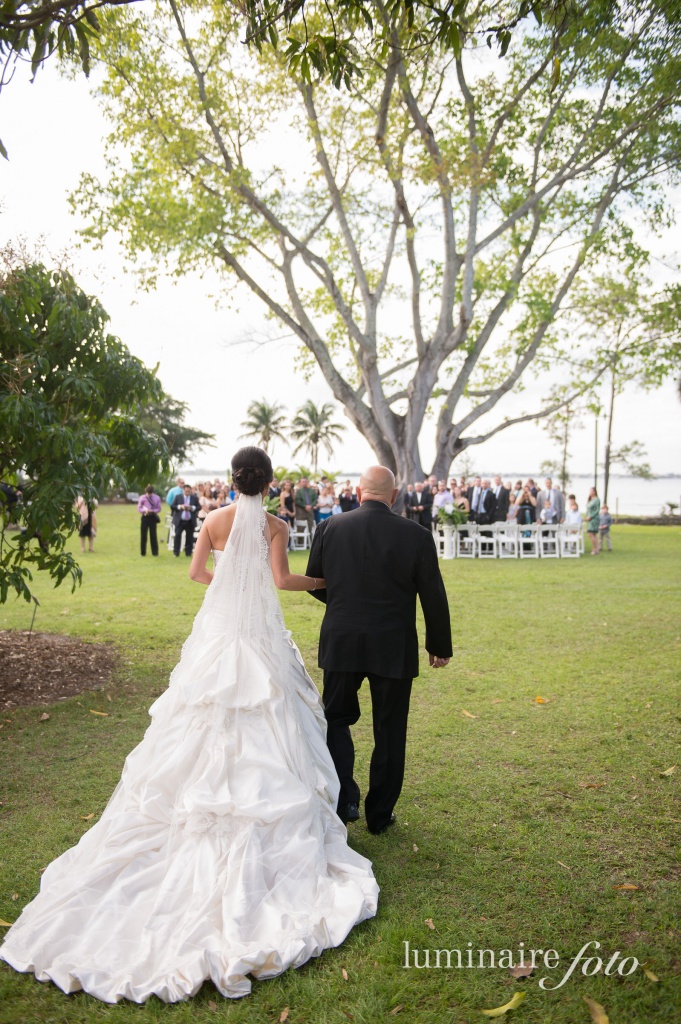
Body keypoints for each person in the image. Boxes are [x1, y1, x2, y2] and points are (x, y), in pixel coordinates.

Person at [0, 446, 378, 1003]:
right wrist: (321, 585)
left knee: (199, 717)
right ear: (269, 483)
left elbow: (198, 572)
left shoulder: (212, 519)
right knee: (271, 718)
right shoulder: (274, 524)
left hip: (220, 634)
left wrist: (229, 588)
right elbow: (280, 581)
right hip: (259, 639)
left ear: (232, 480)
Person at [306, 466, 452, 835]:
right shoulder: (416, 535)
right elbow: (432, 593)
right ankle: (379, 814)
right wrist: (439, 645)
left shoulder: (330, 527)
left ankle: (345, 800)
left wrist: (344, 604)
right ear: (395, 494)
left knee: (336, 720)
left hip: (342, 639)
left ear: (359, 492)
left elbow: (314, 581)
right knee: (390, 729)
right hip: (393, 643)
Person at [171, 484, 200, 557]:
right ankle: (176, 552)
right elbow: (172, 506)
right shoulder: (178, 497)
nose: (187, 492)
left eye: (189, 491)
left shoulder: (194, 498)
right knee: (177, 536)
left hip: (190, 521)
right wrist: (180, 506)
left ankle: (188, 552)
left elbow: (199, 507)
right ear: (183, 490)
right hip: (180, 520)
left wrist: (192, 508)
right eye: (186, 491)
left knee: (189, 537)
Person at [137, 485, 162, 557]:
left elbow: (159, 508)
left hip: (153, 517)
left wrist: (153, 511)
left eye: (150, 493)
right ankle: (142, 552)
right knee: (143, 535)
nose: (149, 494)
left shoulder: (157, 498)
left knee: (153, 535)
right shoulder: (142, 498)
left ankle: (155, 553)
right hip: (145, 516)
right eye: (148, 493)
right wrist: (145, 511)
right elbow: (139, 508)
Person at [586, 487, 601, 555]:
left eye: (592, 491)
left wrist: (591, 516)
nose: (591, 492)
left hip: (594, 518)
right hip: (589, 518)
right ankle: (595, 548)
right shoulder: (590, 499)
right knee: (592, 534)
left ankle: (595, 549)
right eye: (590, 491)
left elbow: (597, 510)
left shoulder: (597, 500)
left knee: (591, 533)